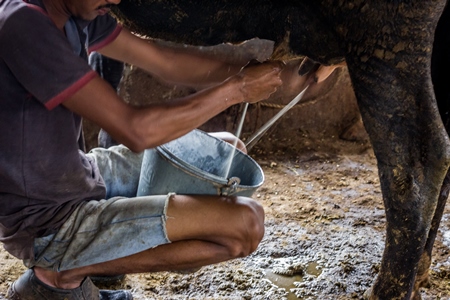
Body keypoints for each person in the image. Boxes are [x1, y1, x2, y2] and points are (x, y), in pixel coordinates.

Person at [0, 0, 340, 299]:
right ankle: (63, 269)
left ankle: (95, 254)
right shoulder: (23, 24)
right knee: (246, 227)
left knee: (227, 149)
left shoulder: (78, 15)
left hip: (79, 173)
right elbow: (135, 129)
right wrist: (236, 89)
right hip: (44, 221)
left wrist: (255, 74)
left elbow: (166, 61)